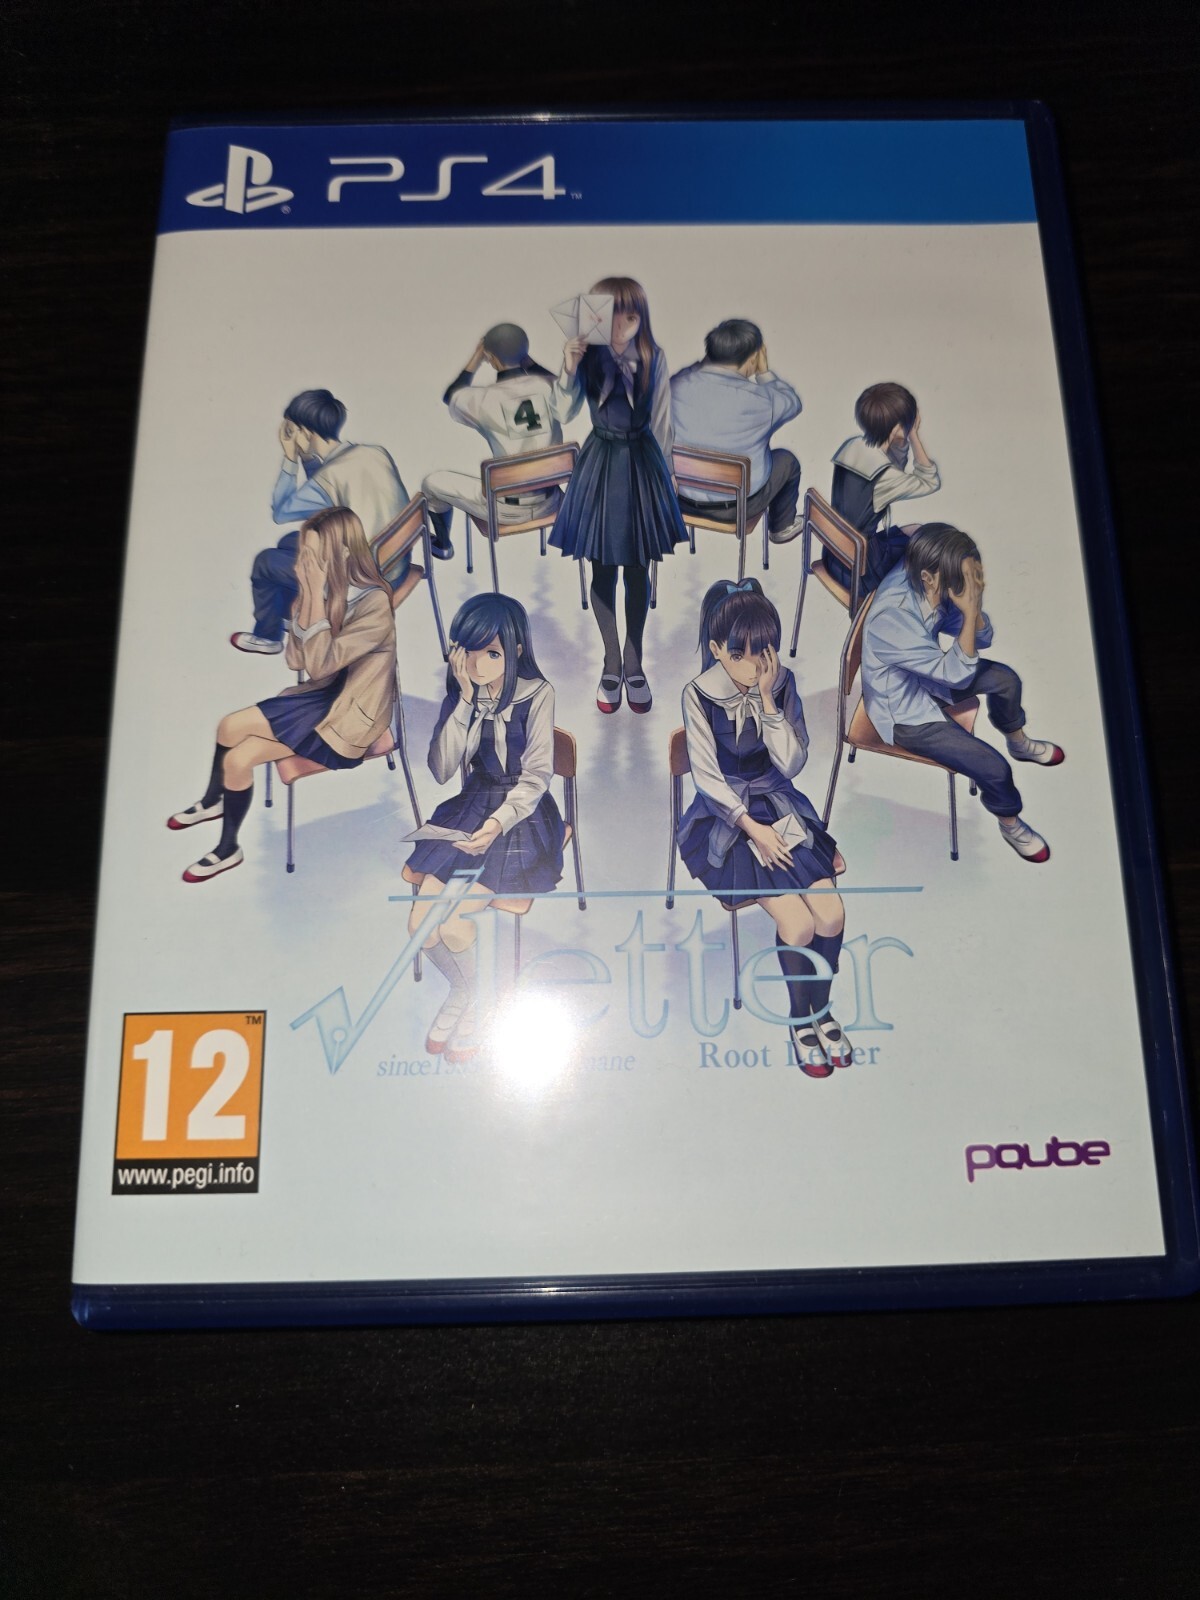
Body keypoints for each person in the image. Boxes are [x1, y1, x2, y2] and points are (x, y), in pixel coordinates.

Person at [679, 578, 851, 1077]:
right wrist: (754, 829)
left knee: (832, 915)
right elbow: (707, 777)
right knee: (798, 924)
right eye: (738, 654)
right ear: (716, 650)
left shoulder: (782, 683)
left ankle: (822, 1010)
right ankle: (802, 1020)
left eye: (762, 652)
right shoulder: (697, 694)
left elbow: (793, 763)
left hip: (781, 804)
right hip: (729, 818)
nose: (752, 665)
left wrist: (769, 703)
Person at [170, 507, 396, 881]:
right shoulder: (326, 592)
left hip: (352, 718)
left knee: (238, 760)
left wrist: (312, 594)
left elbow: (320, 665)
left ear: (343, 553)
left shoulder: (374, 602)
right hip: (323, 698)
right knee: (227, 727)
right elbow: (295, 659)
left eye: (313, 555)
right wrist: (308, 598)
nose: (304, 563)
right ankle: (213, 801)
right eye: (304, 553)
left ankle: (227, 849)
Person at [407, 593, 565, 1061]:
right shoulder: (464, 692)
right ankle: (467, 991)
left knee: (454, 925)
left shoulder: (538, 693)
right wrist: (463, 702)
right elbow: (441, 769)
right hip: (470, 806)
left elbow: (537, 776)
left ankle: (478, 1004)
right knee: (420, 926)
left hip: (521, 815)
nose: (478, 664)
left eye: (491, 653)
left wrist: (497, 824)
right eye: (468, 652)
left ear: (515, 650)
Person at [860, 524, 1064, 862]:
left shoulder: (934, 578)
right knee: (994, 768)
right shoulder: (892, 618)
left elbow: (982, 639)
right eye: (964, 580)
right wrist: (969, 611)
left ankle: (1018, 741)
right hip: (904, 712)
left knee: (1006, 680)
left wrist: (973, 607)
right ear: (928, 578)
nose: (970, 586)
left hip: (930, 676)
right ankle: (1010, 824)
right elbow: (956, 675)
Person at [548, 276, 687, 715]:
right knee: (602, 567)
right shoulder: (586, 356)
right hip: (601, 462)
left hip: (641, 462)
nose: (621, 326)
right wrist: (568, 368)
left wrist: (668, 476)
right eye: (612, 316)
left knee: (638, 569)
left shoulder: (654, 357)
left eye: (631, 317)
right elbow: (562, 411)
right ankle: (612, 661)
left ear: (642, 318)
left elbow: (662, 421)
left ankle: (634, 661)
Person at [231, 389, 428, 656]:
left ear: (305, 431)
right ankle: (285, 614)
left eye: (293, 430)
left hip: (361, 583)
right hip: (395, 561)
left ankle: (268, 637)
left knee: (266, 562)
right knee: (289, 543)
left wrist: (290, 458)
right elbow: (329, 492)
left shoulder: (332, 476)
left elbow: (281, 512)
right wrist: (307, 457)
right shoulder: (374, 452)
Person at [421, 323, 561, 552]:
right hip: (553, 502)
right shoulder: (547, 388)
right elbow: (564, 386)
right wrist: (525, 360)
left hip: (506, 509)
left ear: (491, 358)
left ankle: (443, 545)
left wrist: (477, 358)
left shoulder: (484, 399)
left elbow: (450, 396)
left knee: (431, 482)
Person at [670, 318, 804, 544]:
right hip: (738, 508)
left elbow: (683, 375)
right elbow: (793, 402)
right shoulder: (761, 400)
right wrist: (764, 372)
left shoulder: (677, 385)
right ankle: (781, 528)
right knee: (788, 461)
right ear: (753, 358)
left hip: (680, 499)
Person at [827, 381, 940, 597]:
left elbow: (892, 468)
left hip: (836, 555)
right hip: (859, 573)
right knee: (928, 546)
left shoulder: (853, 446)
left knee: (917, 530)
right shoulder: (884, 477)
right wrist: (913, 436)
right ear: (897, 426)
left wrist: (899, 439)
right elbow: (930, 481)